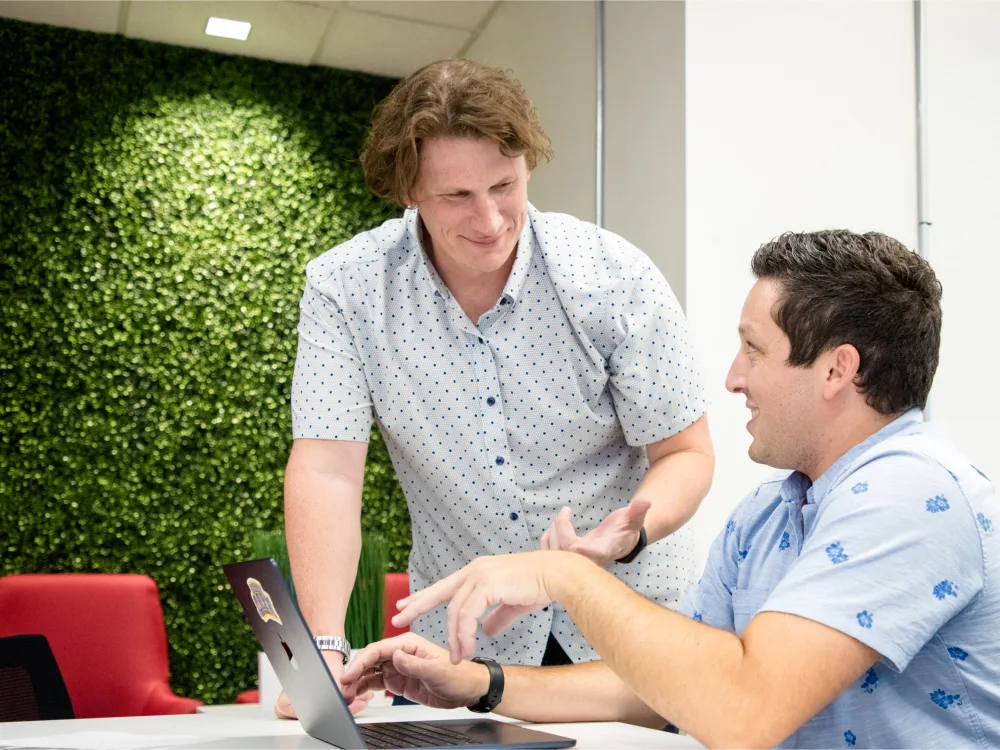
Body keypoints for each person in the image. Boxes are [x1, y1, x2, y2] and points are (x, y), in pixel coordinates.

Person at [340, 230, 999, 748]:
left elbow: (743, 713)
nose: (734, 378)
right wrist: (478, 683)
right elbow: (666, 691)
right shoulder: (769, 514)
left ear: (837, 369)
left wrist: (563, 577)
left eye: (753, 350)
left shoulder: (912, 493)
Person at [278, 59, 715, 717]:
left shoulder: (611, 276)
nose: (488, 219)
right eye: (456, 197)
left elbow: (686, 452)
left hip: (629, 620)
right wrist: (323, 649)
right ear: (408, 192)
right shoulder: (348, 289)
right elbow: (327, 472)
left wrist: (622, 536)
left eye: (504, 186)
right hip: (465, 644)